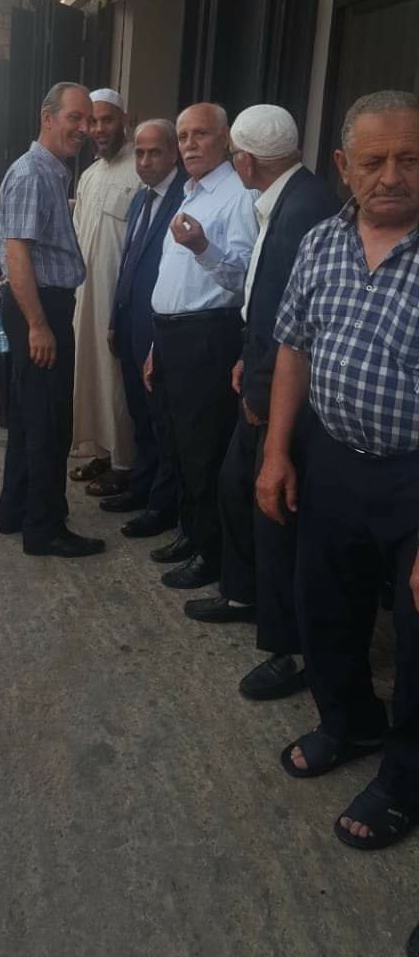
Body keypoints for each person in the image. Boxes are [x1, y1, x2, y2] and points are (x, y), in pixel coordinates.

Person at [256, 89, 419, 853]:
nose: (392, 176)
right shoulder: (322, 241)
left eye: (410, 159)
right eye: (374, 160)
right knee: (325, 609)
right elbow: (293, 346)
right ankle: (350, 723)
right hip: (332, 459)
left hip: (414, 480)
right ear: (343, 166)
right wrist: (276, 452)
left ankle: (406, 779)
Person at [184, 105, 339, 701]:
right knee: (236, 488)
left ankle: (288, 647)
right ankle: (245, 595)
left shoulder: (301, 209)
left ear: (245, 161)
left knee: (275, 513)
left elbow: (292, 316)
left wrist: (261, 390)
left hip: (282, 389)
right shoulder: (290, 196)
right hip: (263, 368)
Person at [145, 103, 257, 588]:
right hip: (172, 334)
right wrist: (156, 344)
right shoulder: (190, 193)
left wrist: (202, 248)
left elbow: (245, 278)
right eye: (184, 136)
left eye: (201, 135)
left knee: (203, 449)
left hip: (208, 335)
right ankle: (191, 534)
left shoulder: (238, 196)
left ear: (225, 139)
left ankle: (212, 554)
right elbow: (174, 278)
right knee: (176, 443)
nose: (190, 144)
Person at [0, 81, 105, 559]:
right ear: (47, 118)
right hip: (38, 307)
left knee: (29, 416)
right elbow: (17, 253)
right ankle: (44, 528)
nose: (84, 128)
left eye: (88, 120)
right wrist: (39, 325)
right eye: (74, 118)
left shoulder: (50, 173)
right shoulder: (33, 174)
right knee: (48, 421)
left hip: (38, 305)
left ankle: (16, 510)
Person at [102, 119, 184, 538]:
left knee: (161, 421)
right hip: (130, 324)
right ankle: (141, 487)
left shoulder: (186, 197)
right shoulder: (139, 200)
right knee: (138, 413)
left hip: (162, 330)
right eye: (139, 153)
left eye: (154, 153)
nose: (146, 161)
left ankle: (161, 506)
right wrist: (115, 318)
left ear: (173, 154)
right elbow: (128, 263)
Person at [70, 88, 142, 496]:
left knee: (116, 381)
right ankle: (99, 451)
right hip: (85, 296)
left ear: (125, 120)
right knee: (89, 374)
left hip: (117, 299)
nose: (98, 129)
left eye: (106, 120)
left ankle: (125, 462)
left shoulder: (140, 170)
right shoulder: (89, 175)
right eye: (92, 122)